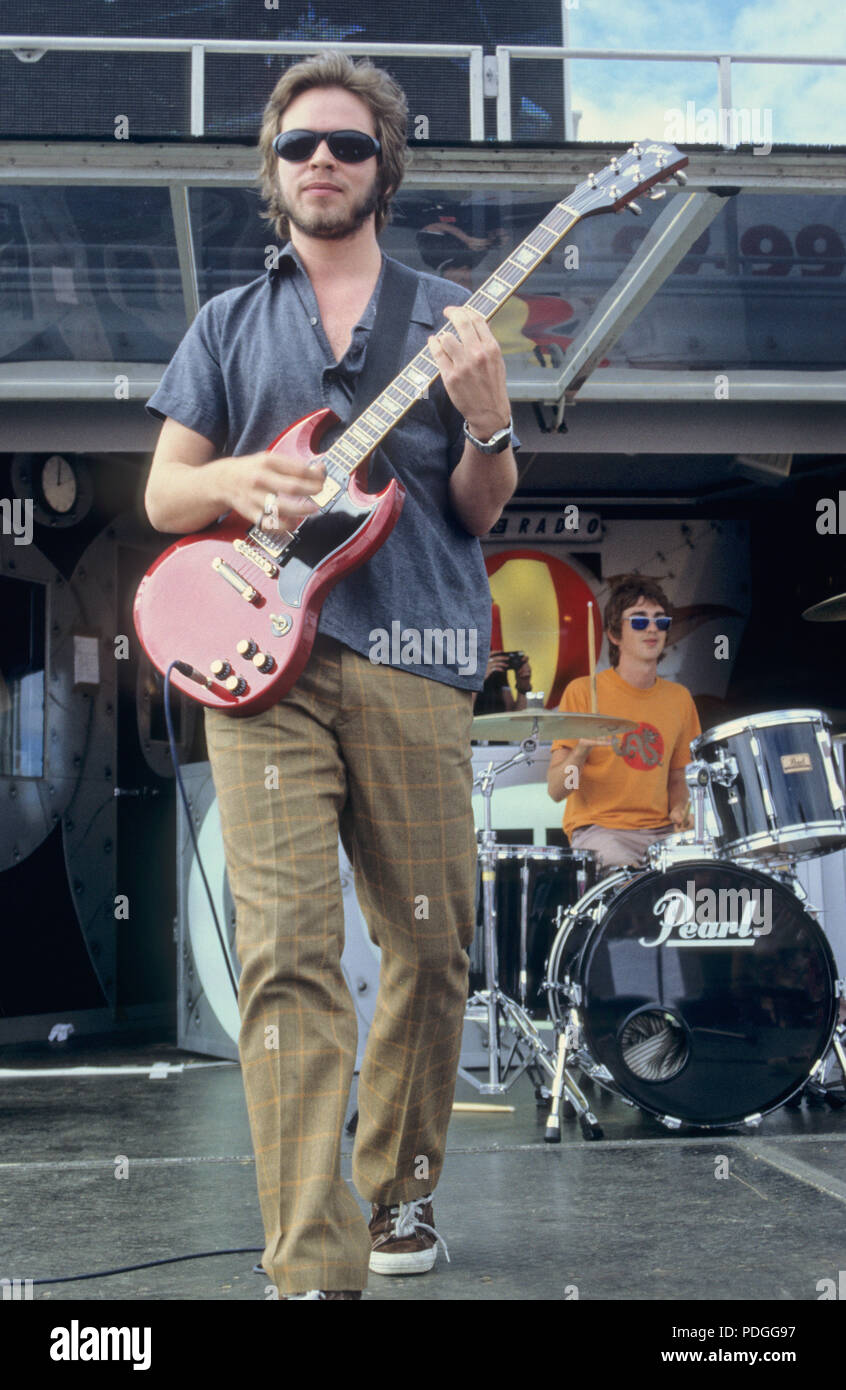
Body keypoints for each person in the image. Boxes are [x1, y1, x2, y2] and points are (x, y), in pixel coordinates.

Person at [143, 51, 517, 1301]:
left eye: (348, 145)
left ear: (382, 169)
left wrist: (488, 424)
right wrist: (237, 481)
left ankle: (400, 1195)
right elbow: (160, 493)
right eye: (301, 143)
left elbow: (477, 510)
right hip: (262, 673)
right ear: (274, 168)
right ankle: (311, 1263)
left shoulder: (450, 313)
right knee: (287, 953)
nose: (321, 160)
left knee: (429, 945)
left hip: (414, 656)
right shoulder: (227, 325)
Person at [547, 576, 701, 871]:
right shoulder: (582, 693)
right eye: (640, 621)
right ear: (614, 635)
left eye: (660, 620)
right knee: (627, 883)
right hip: (601, 830)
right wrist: (580, 752)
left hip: (662, 833)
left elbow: (677, 778)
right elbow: (557, 791)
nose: (653, 627)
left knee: (708, 874)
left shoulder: (679, 698)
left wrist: (681, 809)